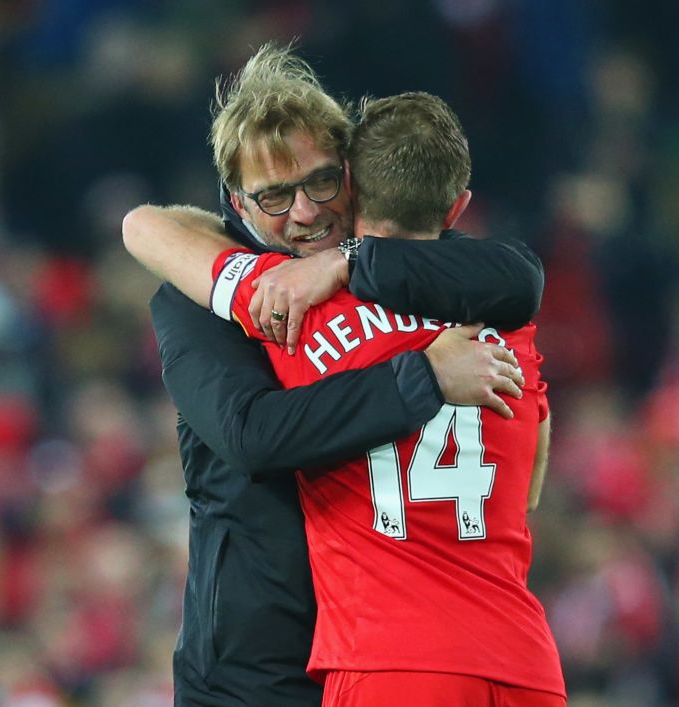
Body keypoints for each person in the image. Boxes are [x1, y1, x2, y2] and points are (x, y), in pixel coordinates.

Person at [124, 45, 547, 707]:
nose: (304, 212)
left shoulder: (406, 274)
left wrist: (350, 260)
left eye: (322, 181)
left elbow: (520, 277)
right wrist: (422, 377)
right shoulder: (199, 299)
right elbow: (251, 433)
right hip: (255, 675)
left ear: (351, 173)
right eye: (273, 196)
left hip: (380, 660)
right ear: (236, 203)